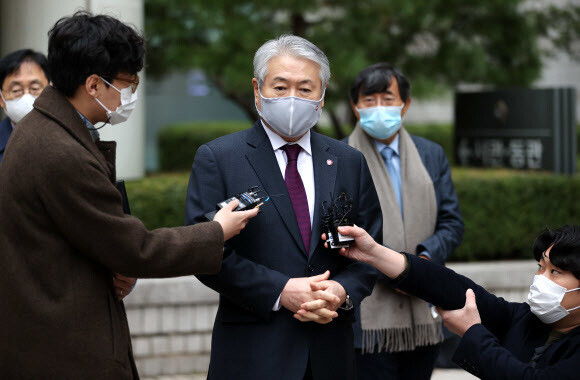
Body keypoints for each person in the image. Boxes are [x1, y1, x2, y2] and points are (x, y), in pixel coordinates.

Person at [0, 12, 257, 379]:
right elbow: (134, 247)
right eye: (127, 84)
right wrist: (216, 230)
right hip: (65, 350)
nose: (130, 95)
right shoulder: (59, 151)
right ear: (93, 85)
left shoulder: (45, 130)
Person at [185, 35, 382, 380]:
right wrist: (280, 291)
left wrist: (341, 292)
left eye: (305, 89)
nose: (292, 99)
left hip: (330, 350)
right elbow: (206, 252)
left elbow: (372, 249)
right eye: (280, 87)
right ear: (257, 90)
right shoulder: (219, 158)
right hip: (253, 352)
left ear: (321, 97)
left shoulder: (349, 161)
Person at [310, 224, 580, 379]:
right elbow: (454, 288)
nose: (541, 279)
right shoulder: (528, 320)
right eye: (540, 267)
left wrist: (472, 332)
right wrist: (375, 253)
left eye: (555, 272)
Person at [343, 62, 464, 379]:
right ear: (356, 107)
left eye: (387, 98)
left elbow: (451, 223)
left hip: (424, 311)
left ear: (405, 104)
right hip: (366, 319)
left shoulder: (430, 154)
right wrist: (397, 272)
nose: (378, 108)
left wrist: (422, 264)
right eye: (369, 100)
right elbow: (338, 234)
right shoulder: (339, 156)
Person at [0, 49, 49, 165]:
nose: (26, 98)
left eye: (35, 88)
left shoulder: (68, 138)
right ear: (1, 99)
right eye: (16, 90)